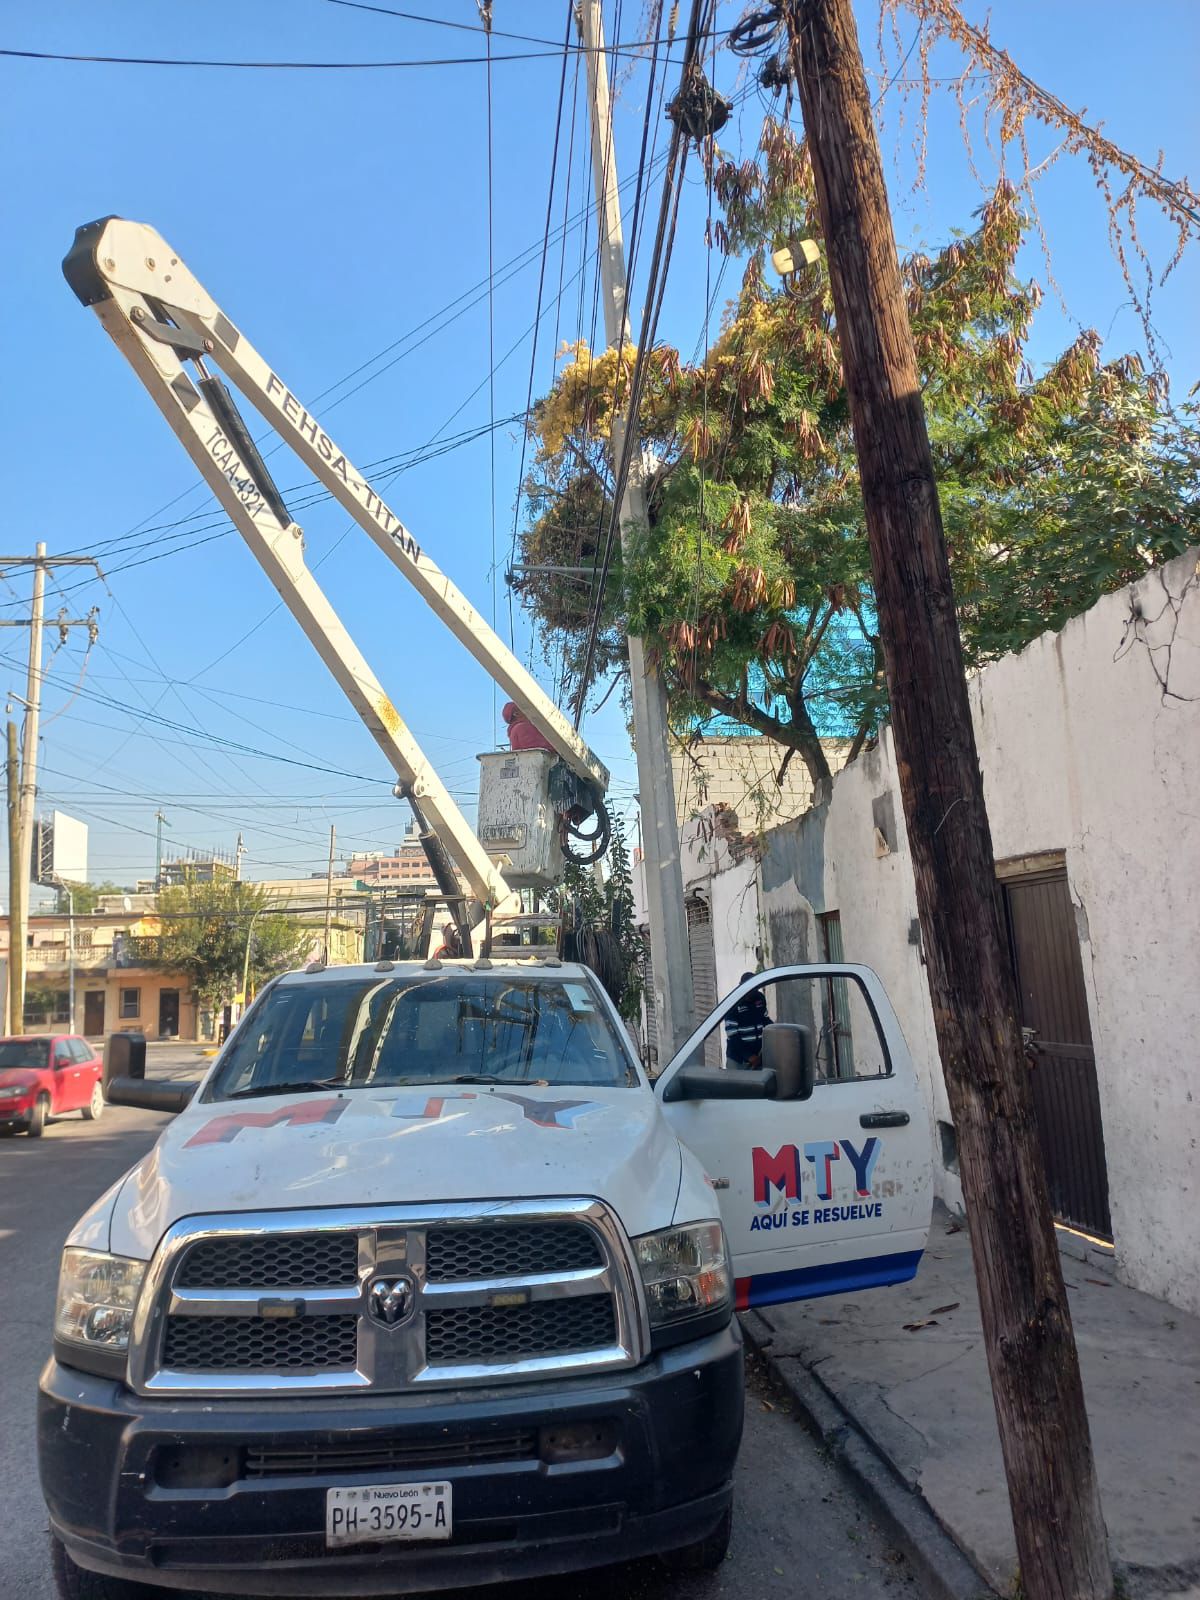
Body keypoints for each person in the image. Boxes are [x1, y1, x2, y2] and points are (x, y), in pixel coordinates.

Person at [724, 973, 770, 1068]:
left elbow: (765, 1020)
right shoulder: (732, 1002)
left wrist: (776, 1031)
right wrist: (748, 1056)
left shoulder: (760, 998)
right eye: (748, 987)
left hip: (758, 1057)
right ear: (741, 985)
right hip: (737, 1060)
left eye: (754, 988)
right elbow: (732, 1035)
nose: (751, 991)